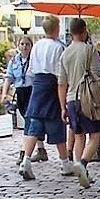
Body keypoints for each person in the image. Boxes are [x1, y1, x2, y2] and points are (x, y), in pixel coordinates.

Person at [18, 16, 75, 182]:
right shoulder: (59, 47)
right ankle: (65, 162)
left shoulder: (37, 46)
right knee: (56, 122)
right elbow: (61, 73)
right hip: (52, 85)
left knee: (34, 124)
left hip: (38, 85)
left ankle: (26, 161)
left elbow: (31, 70)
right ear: (56, 28)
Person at [59, 17, 100, 189]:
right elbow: (97, 73)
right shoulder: (89, 50)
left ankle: (81, 169)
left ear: (71, 33)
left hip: (71, 99)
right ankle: (83, 163)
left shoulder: (65, 53)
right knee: (95, 135)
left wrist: (62, 105)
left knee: (79, 136)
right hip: (88, 98)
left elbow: (61, 83)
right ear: (85, 31)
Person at [2, 36, 49, 165]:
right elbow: (9, 77)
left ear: (31, 46)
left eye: (27, 44)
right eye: (22, 44)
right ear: (18, 45)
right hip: (20, 92)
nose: (24, 46)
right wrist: (4, 93)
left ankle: (24, 152)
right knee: (29, 120)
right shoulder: (14, 61)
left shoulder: (34, 60)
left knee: (30, 121)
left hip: (32, 91)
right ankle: (41, 149)